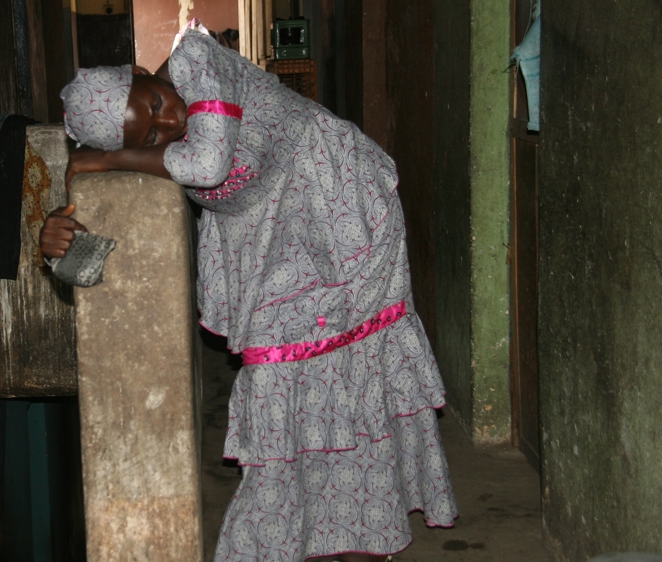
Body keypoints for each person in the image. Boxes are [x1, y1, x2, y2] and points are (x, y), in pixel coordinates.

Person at [41, 27, 457, 562]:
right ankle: (307, 534)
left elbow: (209, 165)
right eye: (148, 136)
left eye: (154, 102)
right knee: (285, 379)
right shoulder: (165, 147)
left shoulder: (194, 59)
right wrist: (56, 237)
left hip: (345, 216)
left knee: (354, 374)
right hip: (275, 244)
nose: (170, 121)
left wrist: (112, 159)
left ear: (144, 73)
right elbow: (98, 239)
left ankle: (363, 536)